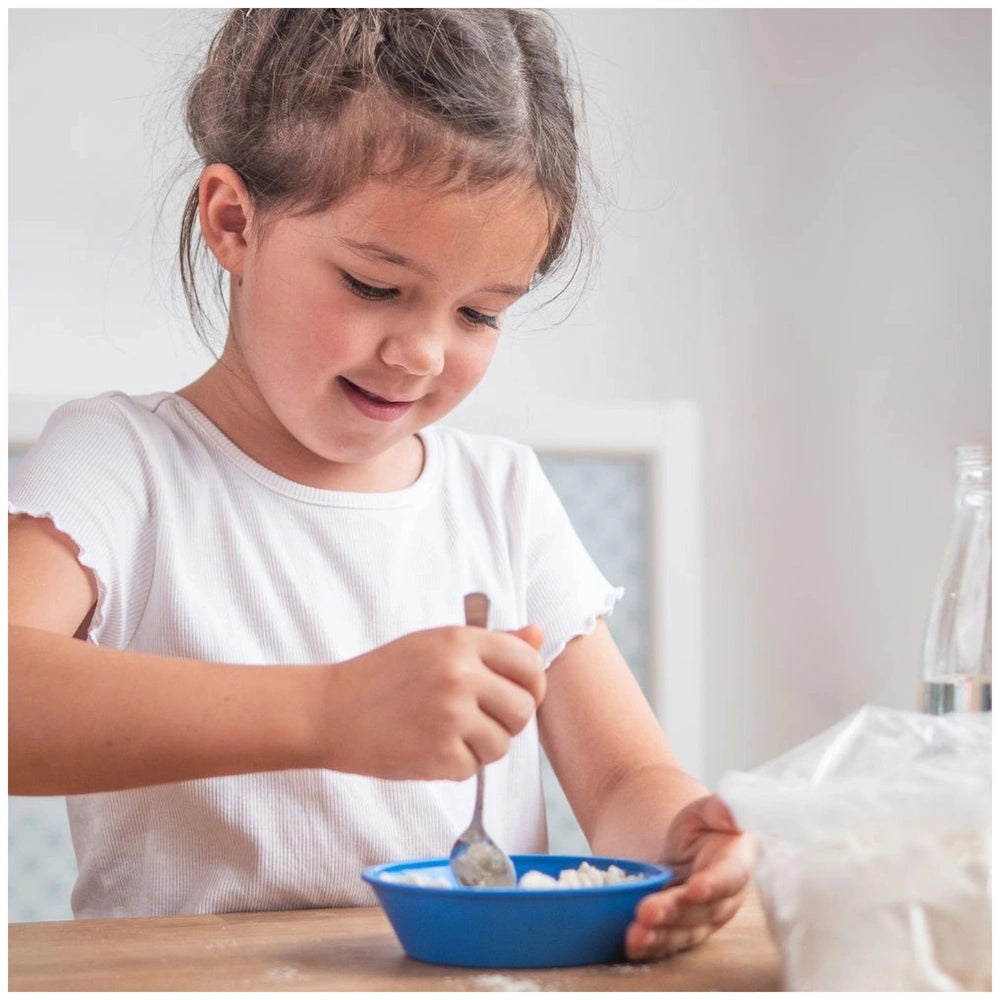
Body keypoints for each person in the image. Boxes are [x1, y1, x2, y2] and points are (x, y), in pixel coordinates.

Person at [8, 8, 753, 959]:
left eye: (480, 313)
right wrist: (330, 711)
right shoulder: (124, 460)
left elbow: (621, 784)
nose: (421, 352)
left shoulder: (502, 495)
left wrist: (686, 836)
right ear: (233, 221)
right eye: (372, 284)